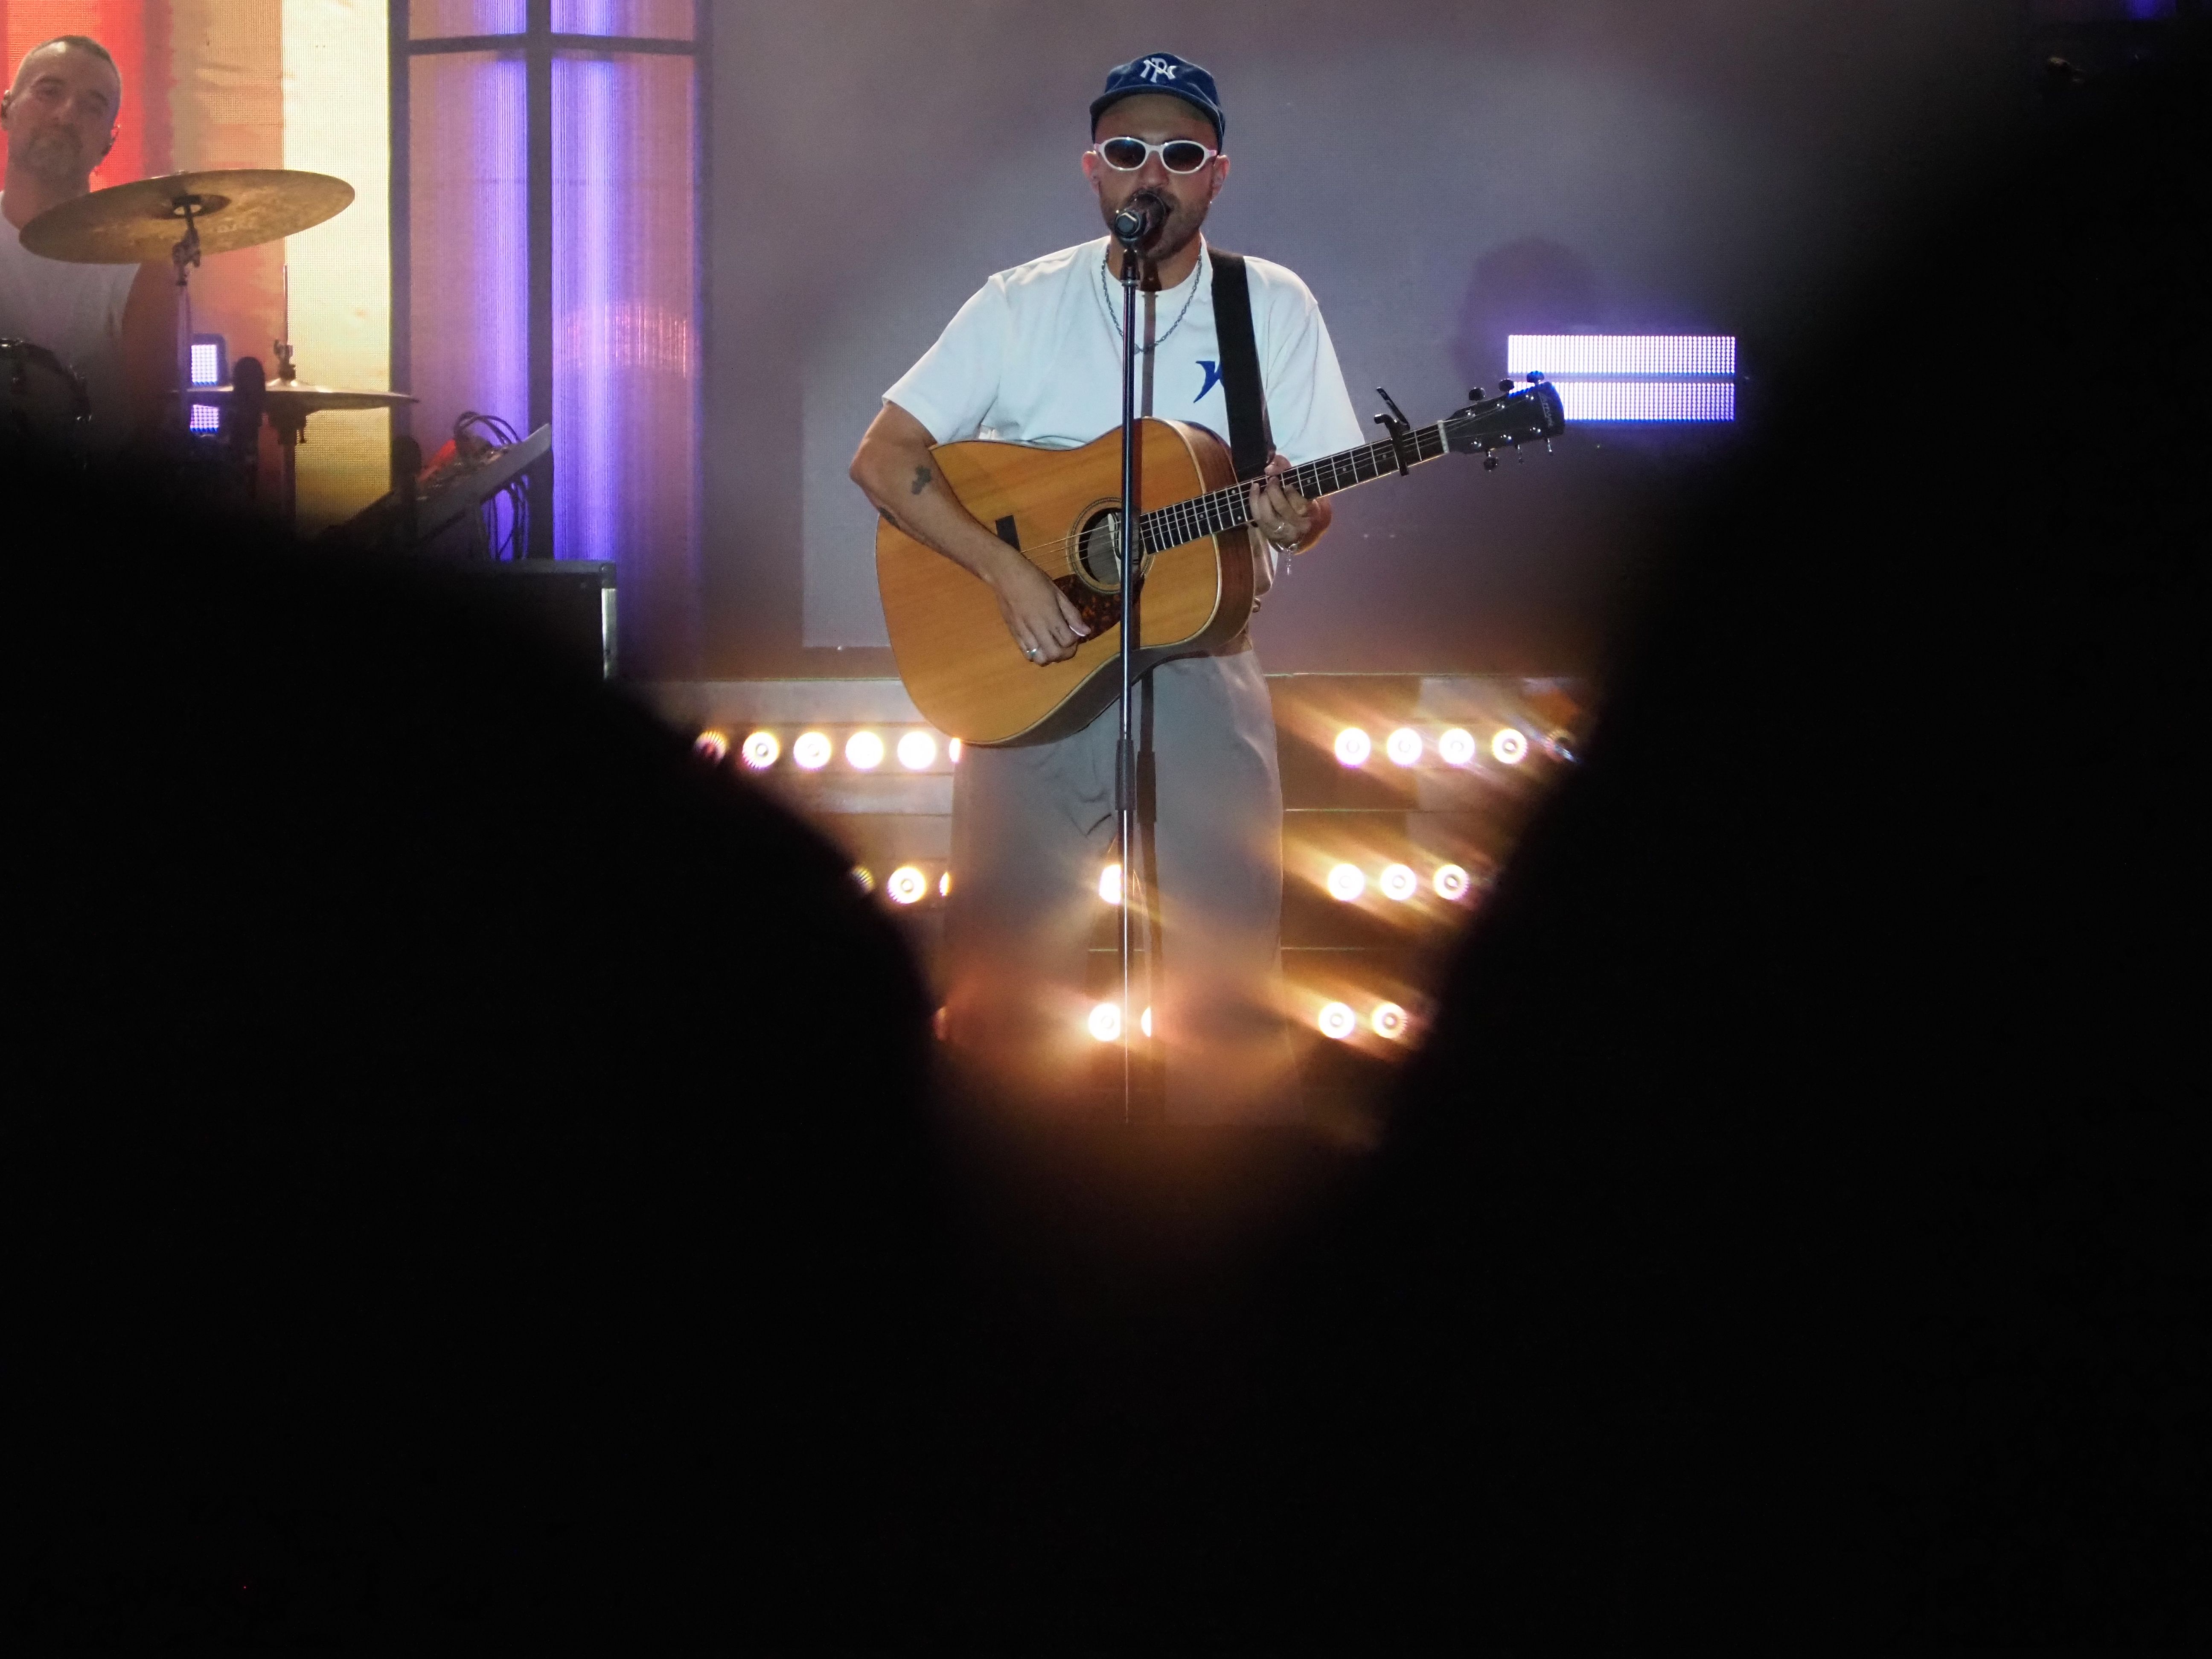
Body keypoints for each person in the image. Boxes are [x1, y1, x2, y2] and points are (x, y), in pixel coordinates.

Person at [850, 51, 1364, 1121]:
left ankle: (1217, 1195)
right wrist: (1005, 570)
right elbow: (884, 459)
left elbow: (1309, 500)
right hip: (1028, 667)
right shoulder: (1018, 303)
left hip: (1203, 657)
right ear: (1093, 168)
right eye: (1127, 150)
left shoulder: (1267, 305)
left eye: (1180, 154)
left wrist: (1295, 517)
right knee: (1001, 986)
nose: (1150, 174)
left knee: (1227, 983)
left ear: (1217, 175)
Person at [0, 34, 175, 445]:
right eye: (49, 92)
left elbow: (150, 444)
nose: (66, 115)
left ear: (109, 143)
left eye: (92, 107)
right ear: (7, 108)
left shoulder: (141, 265)